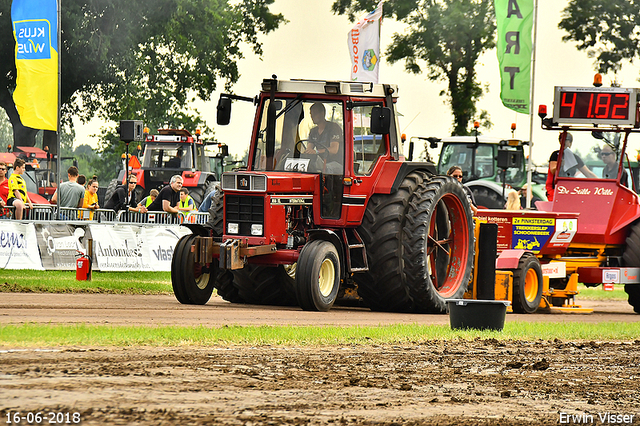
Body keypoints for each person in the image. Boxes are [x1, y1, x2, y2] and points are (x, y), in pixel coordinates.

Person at [545, 132, 597, 201]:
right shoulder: (556, 155)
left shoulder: (574, 157)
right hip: (555, 189)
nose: (565, 143)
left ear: (570, 143)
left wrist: (602, 182)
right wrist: (560, 165)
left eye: (567, 140)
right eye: (563, 140)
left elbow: (588, 173)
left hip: (569, 190)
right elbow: (553, 170)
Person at [304, 102, 343, 173]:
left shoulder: (334, 128)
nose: (312, 116)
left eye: (315, 113)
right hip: (320, 164)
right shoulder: (313, 131)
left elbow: (334, 150)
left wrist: (316, 151)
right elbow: (309, 148)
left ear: (322, 113)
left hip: (336, 164)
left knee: (325, 169)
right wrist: (307, 152)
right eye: (311, 114)